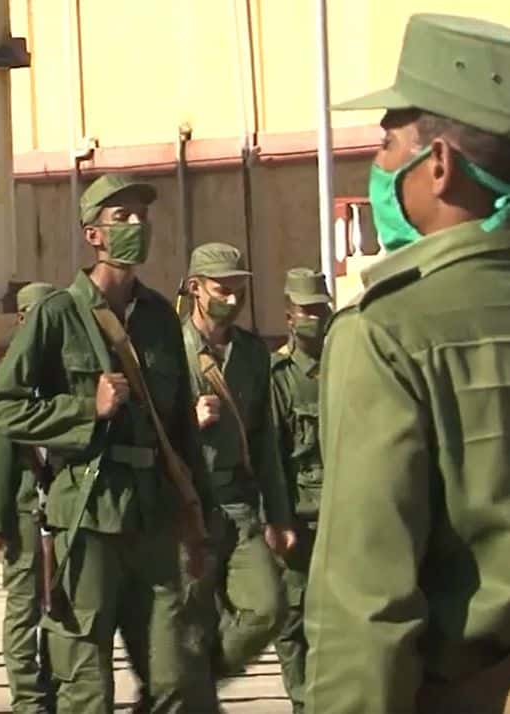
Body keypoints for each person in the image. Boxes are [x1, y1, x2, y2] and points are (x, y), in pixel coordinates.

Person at [305, 14, 510, 714]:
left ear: (442, 166)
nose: (382, 164)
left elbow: (367, 600)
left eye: (390, 142)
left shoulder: (388, 331)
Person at [0, 174, 218, 714]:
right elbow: (0, 407)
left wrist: (197, 515)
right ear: (93, 235)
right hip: (86, 517)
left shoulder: (161, 317)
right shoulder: (57, 315)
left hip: (152, 516)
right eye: (123, 218)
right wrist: (84, 409)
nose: (138, 226)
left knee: (175, 676)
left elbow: (178, 426)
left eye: (142, 216)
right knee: (86, 685)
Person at [179, 242, 295, 679]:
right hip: (187, 507)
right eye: (221, 289)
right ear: (195, 288)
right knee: (188, 623)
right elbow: (144, 431)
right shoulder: (170, 350)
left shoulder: (251, 353)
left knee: (267, 607)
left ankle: (199, 682)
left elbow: (266, 441)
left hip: (240, 506)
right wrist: (188, 421)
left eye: (238, 289)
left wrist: (278, 516)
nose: (232, 298)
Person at [0, 281, 57, 714]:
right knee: (24, 604)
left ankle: (58, 684)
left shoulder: (62, 374)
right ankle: (28, 695)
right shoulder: (5, 381)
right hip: (25, 507)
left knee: (63, 604)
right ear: (22, 320)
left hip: (64, 506)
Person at [267, 268, 331, 714]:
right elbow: (270, 454)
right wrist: (277, 517)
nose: (313, 318)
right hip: (298, 515)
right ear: (289, 315)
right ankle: (303, 702)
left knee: (336, 619)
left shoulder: (346, 364)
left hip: (342, 515)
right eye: (305, 310)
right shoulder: (279, 376)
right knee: (292, 619)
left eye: (319, 309)